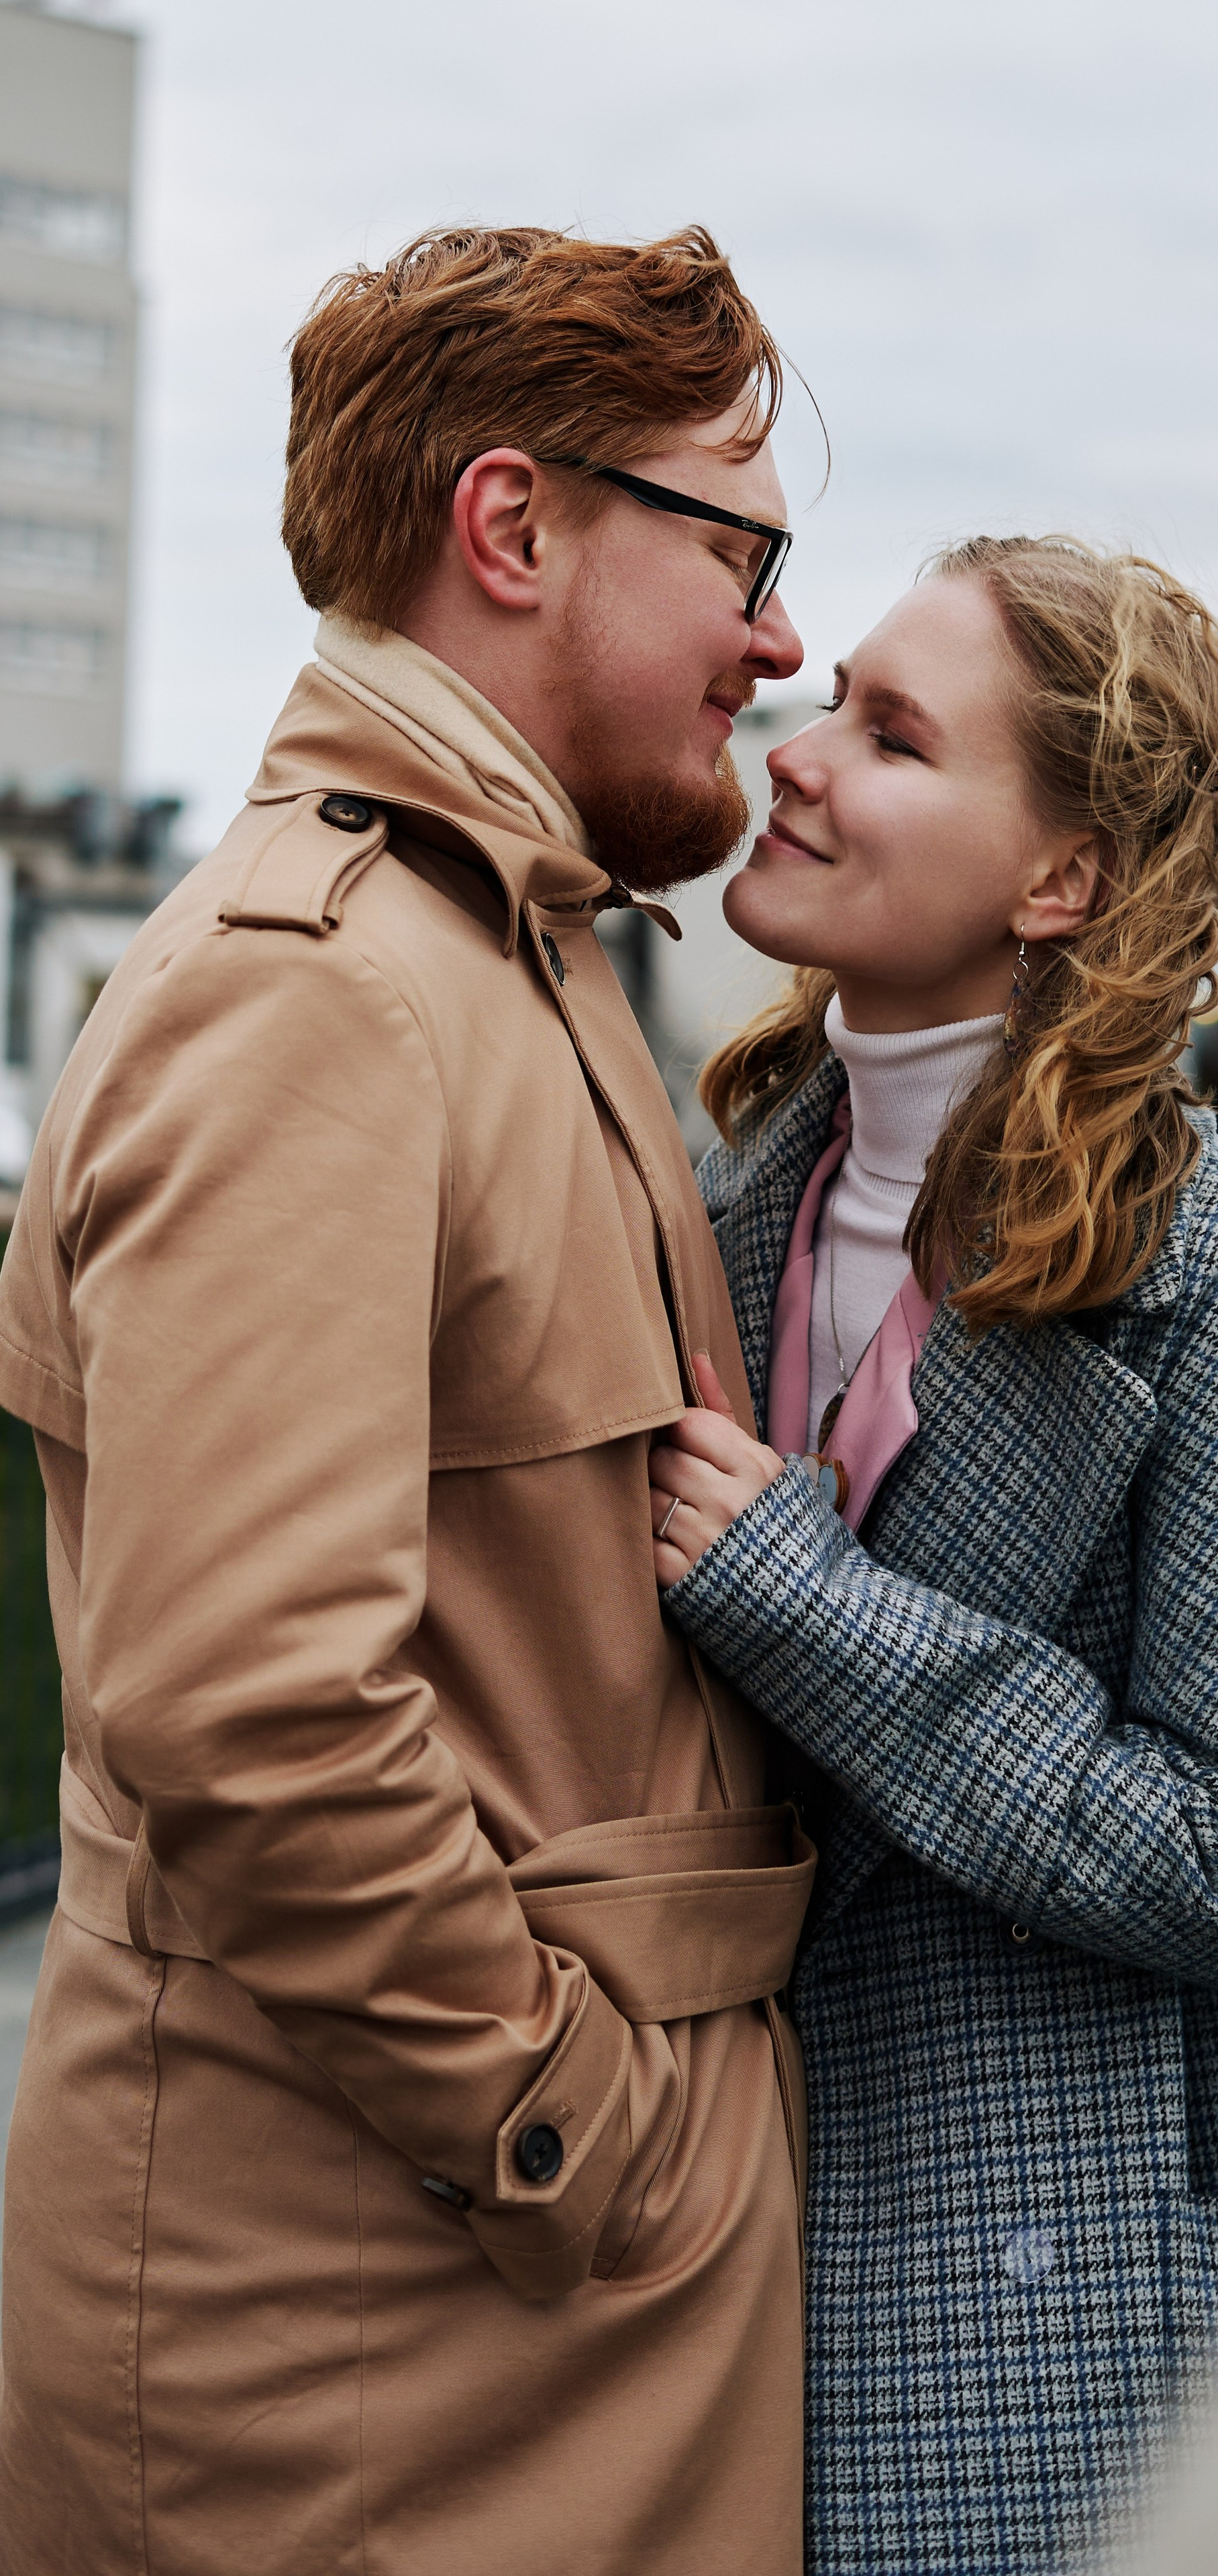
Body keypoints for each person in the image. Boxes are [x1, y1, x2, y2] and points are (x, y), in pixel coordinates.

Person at [0, 227, 814, 2576]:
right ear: (515, 525)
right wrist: (572, 2136)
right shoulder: (327, 997)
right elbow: (249, 1703)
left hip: (478, 2317)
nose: (779, 639)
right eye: (744, 550)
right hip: (387, 2356)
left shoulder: (493, 952)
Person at [645, 537, 1218, 2573]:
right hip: (738, 2270)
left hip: (1081, 2311)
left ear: (1057, 880)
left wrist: (808, 1604)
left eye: (892, 735)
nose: (798, 757)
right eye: (829, 703)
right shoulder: (733, 1209)